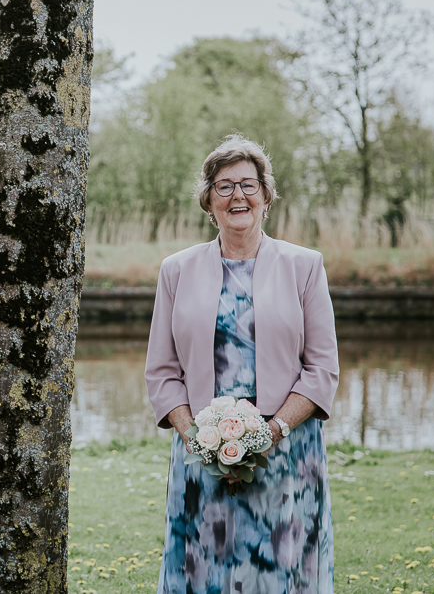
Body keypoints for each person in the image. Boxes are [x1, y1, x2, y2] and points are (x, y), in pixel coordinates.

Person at [145, 133, 339, 593]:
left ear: (266, 197)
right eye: (224, 186)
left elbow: (322, 368)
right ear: (208, 201)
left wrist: (270, 433)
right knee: (204, 567)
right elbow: (162, 371)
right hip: (200, 449)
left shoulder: (305, 266)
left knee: (281, 566)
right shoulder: (176, 270)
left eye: (249, 185)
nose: (238, 196)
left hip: (287, 448)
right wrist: (197, 437)